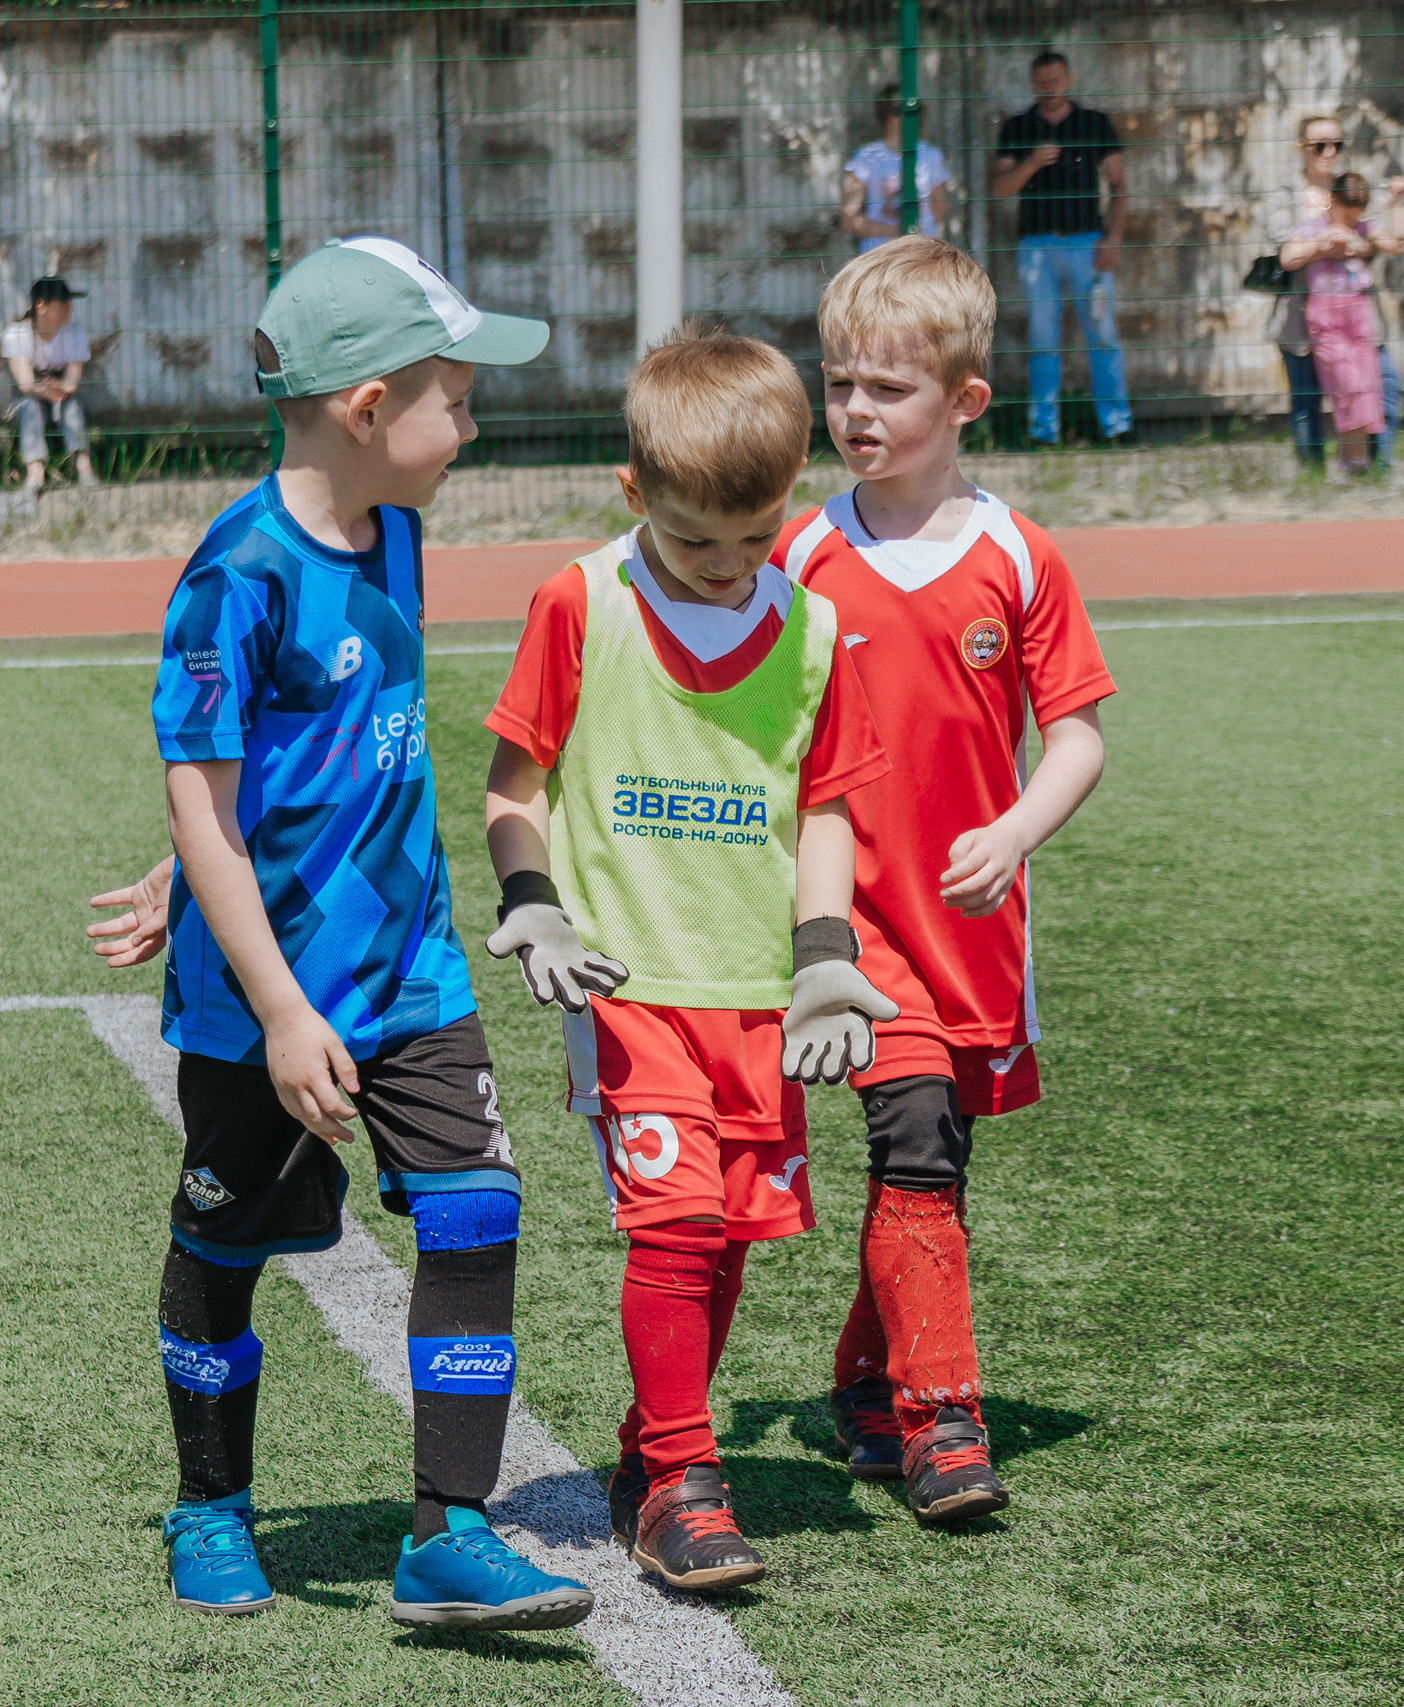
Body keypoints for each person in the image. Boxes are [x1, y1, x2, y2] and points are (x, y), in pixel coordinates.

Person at [111, 236, 594, 1628]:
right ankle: (209, 1503)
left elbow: (306, 761)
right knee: (223, 1241)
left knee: (478, 1210)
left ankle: (448, 1527)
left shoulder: (399, 532)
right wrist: (268, 999)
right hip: (259, 1003)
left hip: (410, 971)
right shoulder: (234, 575)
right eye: (457, 393)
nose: (476, 420)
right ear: (372, 405)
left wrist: (189, 857)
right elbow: (203, 790)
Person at [479, 326, 894, 1591]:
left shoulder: (818, 633)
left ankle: (642, 1452)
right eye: (689, 537)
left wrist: (825, 959)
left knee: (723, 1241)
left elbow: (827, 809)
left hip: (756, 994)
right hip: (628, 985)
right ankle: (681, 1482)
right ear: (631, 494)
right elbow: (516, 781)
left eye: (754, 537)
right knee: (671, 1230)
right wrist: (535, 902)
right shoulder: (582, 600)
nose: (723, 567)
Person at [775, 236, 1114, 1527]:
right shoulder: (802, 553)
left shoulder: (1017, 556)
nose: (856, 412)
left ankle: (866, 1379)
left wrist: (1018, 826)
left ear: (965, 400)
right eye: (840, 384)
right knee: (911, 1137)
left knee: (934, 1168)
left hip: (975, 927)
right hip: (851, 929)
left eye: (888, 390)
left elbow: (1078, 733)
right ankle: (942, 1417)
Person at [990, 50, 1131, 446]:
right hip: (1037, 248)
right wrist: (1032, 163)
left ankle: (1118, 427)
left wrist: (1113, 239)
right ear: (1033, 83)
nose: (1050, 86)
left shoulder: (1094, 122)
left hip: (1089, 246)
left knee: (1103, 336)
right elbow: (998, 188)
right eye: (1042, 81)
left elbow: (1120, 186)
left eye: (1056, 79)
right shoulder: (1018, 128)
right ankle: (1043, 432)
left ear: (1068, 80)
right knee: (1043, 341)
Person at [1264, 115, 1404, 471]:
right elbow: (1286, 251)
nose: (1329, 152)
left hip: (1357, 315)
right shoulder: (1286, 195)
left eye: (1336, 145)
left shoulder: (1351, 188)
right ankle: (1312, 474)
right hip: (1301, 316)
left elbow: (1378, 241)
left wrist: (1359, 237)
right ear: (1302, 148)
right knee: (1306, 399)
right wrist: (1330, 244)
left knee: (1383, 384)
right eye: (1319, 145)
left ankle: (1377, 466)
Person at [1281, 173, 1395, 476]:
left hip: (1358, 312)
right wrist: (1324, 243)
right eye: (1346, 214)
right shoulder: (1313, 227)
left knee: (1368, 388)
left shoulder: (1364, 227)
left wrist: (1396, 206)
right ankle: (1350, 462)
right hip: (1326, 314)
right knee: (1347, 386)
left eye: (1356, 215)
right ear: (1334, 202)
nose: (1351, 220)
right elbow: (1288, 257)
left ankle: (1354, 463)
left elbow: (1395, 244)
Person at [1, 275, 95, 493]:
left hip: (64, 397)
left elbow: (71, 383)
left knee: (72, 407)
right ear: (40, 306)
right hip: (28, 400)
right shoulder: (16, 335)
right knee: (30, 407)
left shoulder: (75, 333)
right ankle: (35, 474)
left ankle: (85, 471)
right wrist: (47, 388)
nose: (69, 307)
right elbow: (26, 386)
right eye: (62, 302)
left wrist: (57, 388)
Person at [841, 82, 956, 256]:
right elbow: (849, 219)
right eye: (898, 108)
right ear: (885, 112)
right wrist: (900, 231)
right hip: (881, 256)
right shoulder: (866, 157)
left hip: (922, 256)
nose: (906, 113)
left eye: (914, 107)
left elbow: (938, 211)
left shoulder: (931, 155)